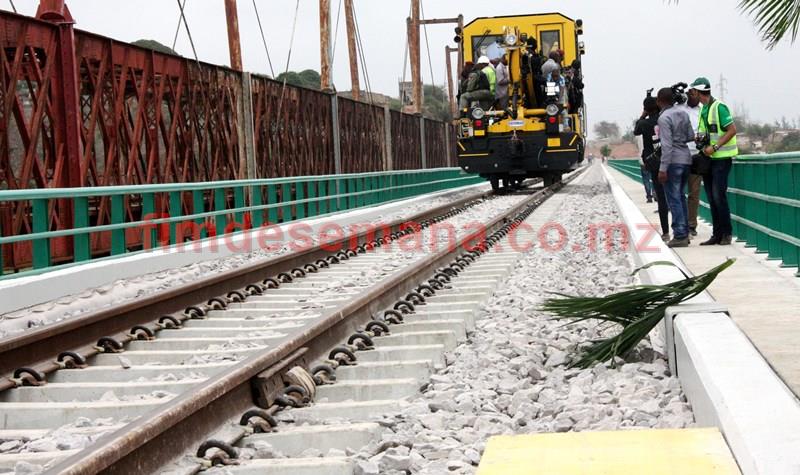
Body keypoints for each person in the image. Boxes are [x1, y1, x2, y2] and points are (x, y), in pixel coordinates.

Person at [690, 77, 738, 246]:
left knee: (719, 196)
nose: (691, 95)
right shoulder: (705, 110)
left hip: (721, 159)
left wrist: (716, 147)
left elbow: (732, 130)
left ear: (699, 91)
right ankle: (716, 234)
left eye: (693, 91)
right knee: (711, 197)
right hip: (708, 159)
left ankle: (726, 233)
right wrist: (700, 140)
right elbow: (706, 132)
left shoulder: (719, 108)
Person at [656, 87, 694, 248]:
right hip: (686, 159)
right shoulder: (683, 114)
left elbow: (666, 145)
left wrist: (663, 168)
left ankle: (679, 234)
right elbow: (691, 136)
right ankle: (685, 232)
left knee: (674, 198)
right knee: (681, 197)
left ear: (659, 101)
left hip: (673, 162)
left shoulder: (664, 118)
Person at [635, 96, 671, 241]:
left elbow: (636, 131)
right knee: (676, 196)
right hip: (670, 159)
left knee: (661, 198)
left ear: (645, 109)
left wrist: (643, 115)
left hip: (654, 163)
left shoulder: (644, 123)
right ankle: (682, 229)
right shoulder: (665, 119)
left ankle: (666, 232)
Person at [678, 86, 702, 237]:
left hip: (698, 155)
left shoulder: (703, 111)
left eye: (694, 94)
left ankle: (691, 225)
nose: (691, 96)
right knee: (678, 192)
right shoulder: (680, 109)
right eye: (689, 94)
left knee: (694, 193)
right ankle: (681, 224)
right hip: (681, 154)